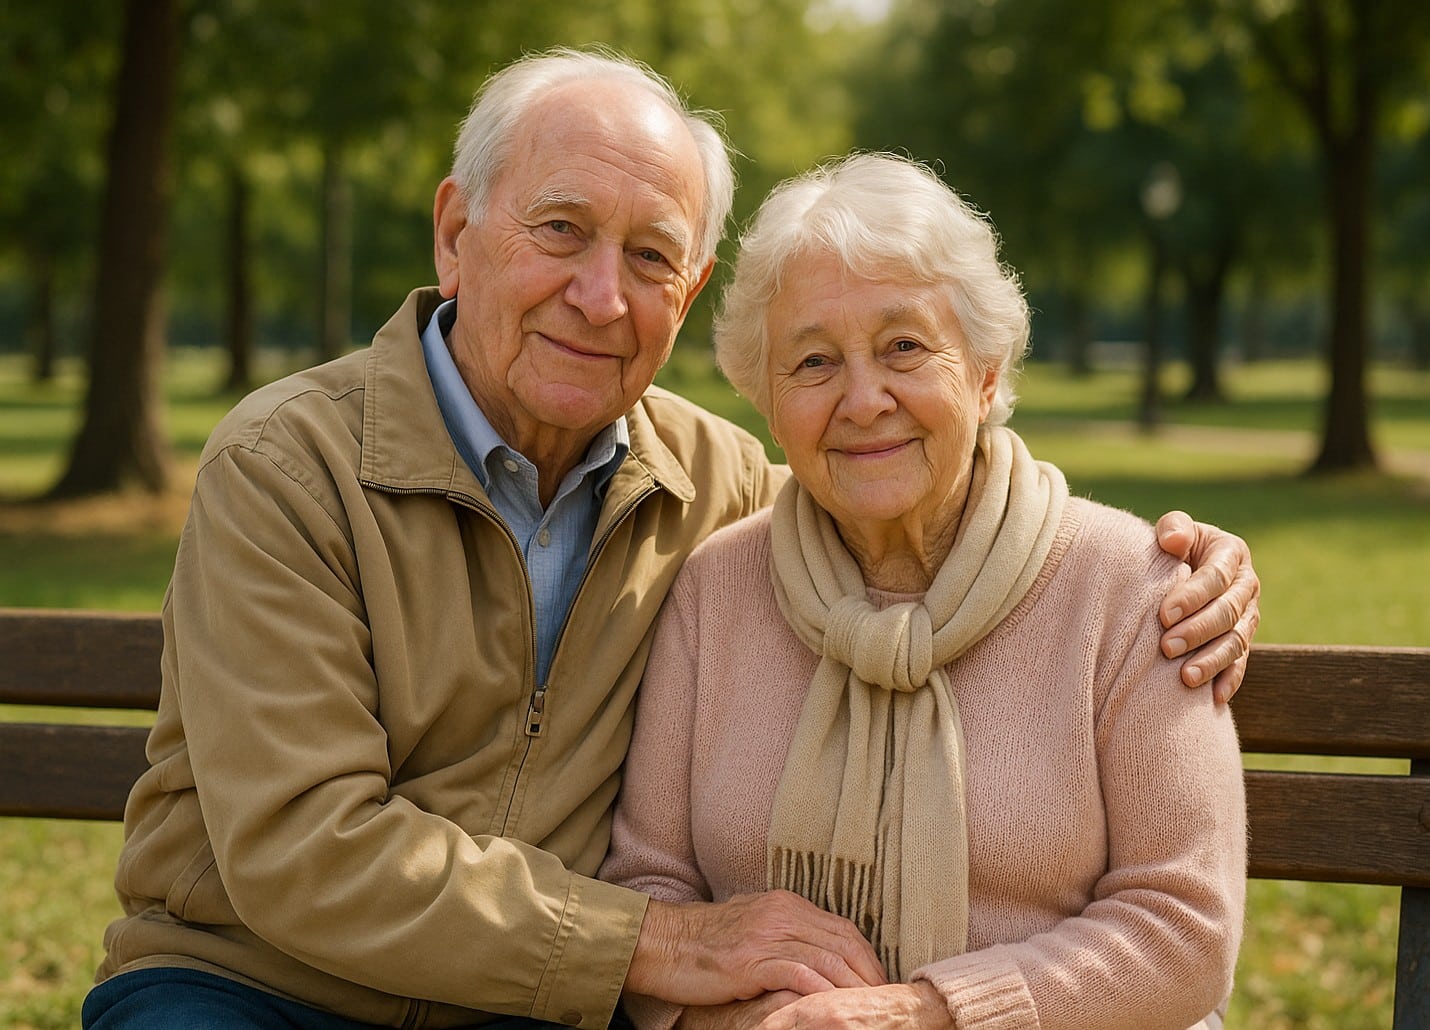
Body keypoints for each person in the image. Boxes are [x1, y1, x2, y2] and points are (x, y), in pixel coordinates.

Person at [84, 49, 1257, 1030]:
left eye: (649, 256)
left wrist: (1191, 566)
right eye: (561, 230)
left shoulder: (720, 488)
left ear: (686, 295)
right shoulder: (287, 469)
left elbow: (908, 489)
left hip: (520, 1006)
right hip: (255, 984)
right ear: (455, 232)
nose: (602, 295)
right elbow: (304, 847)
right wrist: (657, 943)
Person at [599, 153, 1247, 1030]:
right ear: (768, 404)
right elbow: (650, 889)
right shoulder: (715, 591)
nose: (864, 400)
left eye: (904, 347)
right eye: (814, 362)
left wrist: (918, 1016)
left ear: (985, 373)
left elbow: (1184, 930)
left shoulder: (1134, 590)